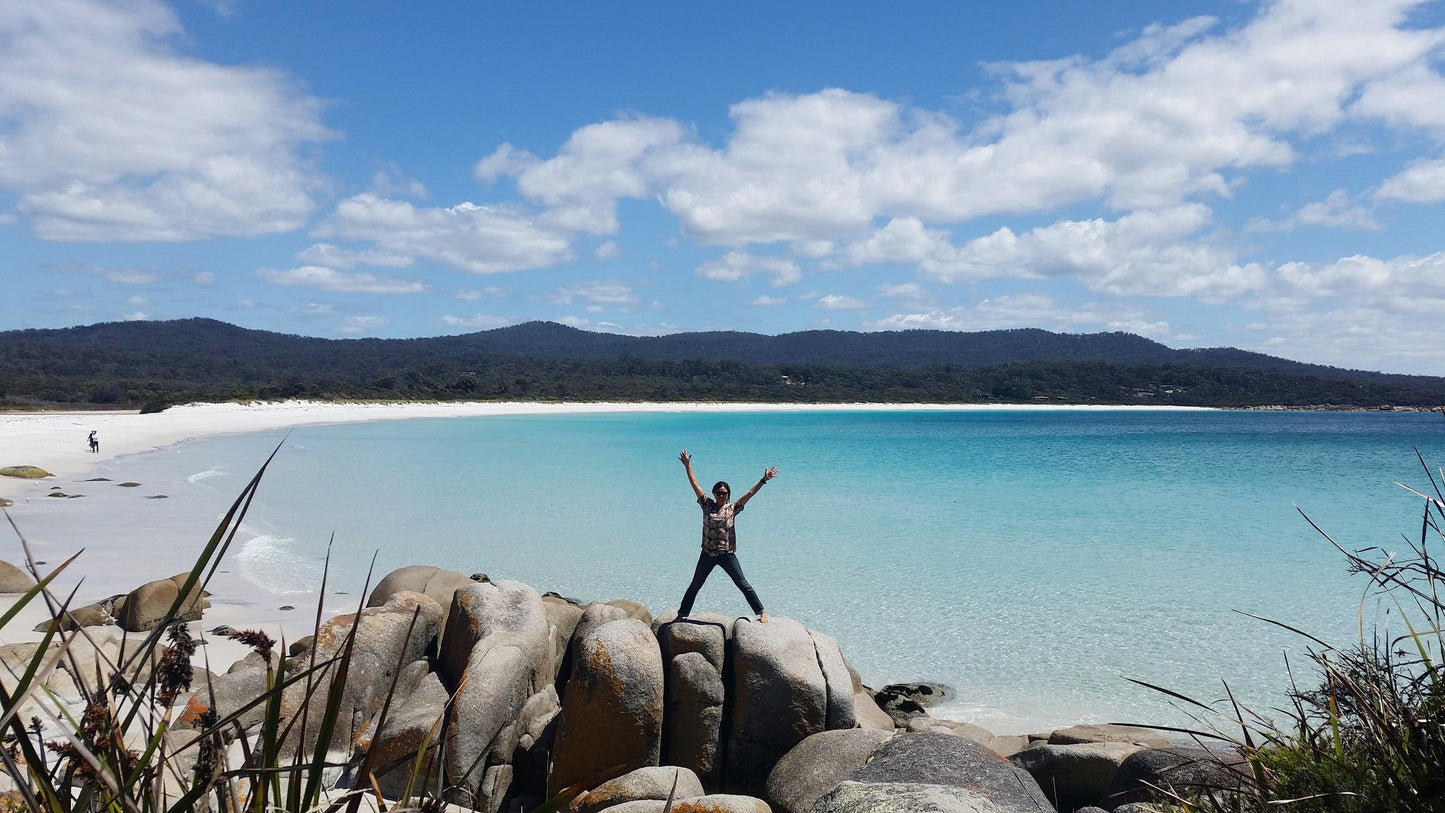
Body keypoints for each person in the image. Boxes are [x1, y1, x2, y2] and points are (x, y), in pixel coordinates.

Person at [676, 449, 777, 623]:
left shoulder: (733, 508)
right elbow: (694, 483)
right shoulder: (706, 504)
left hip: (727, 555)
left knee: (742, 583)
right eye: (718, 492)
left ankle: (761, 611)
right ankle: (682, 614)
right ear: (714, 493)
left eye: (724, 493)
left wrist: (763, 480)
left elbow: (750, 494)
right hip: (707, 554)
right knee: (695, 585)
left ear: (728, 495)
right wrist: (687, 466)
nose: (721, 495)